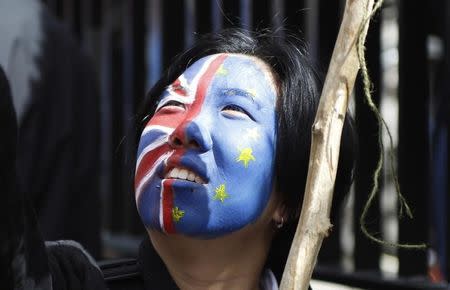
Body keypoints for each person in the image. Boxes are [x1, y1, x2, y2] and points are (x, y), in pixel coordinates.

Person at [1, 28, 356, 290]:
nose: (188, 127)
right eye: (172, 105)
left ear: (290, 200)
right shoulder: (65, 280)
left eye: (233, 110)